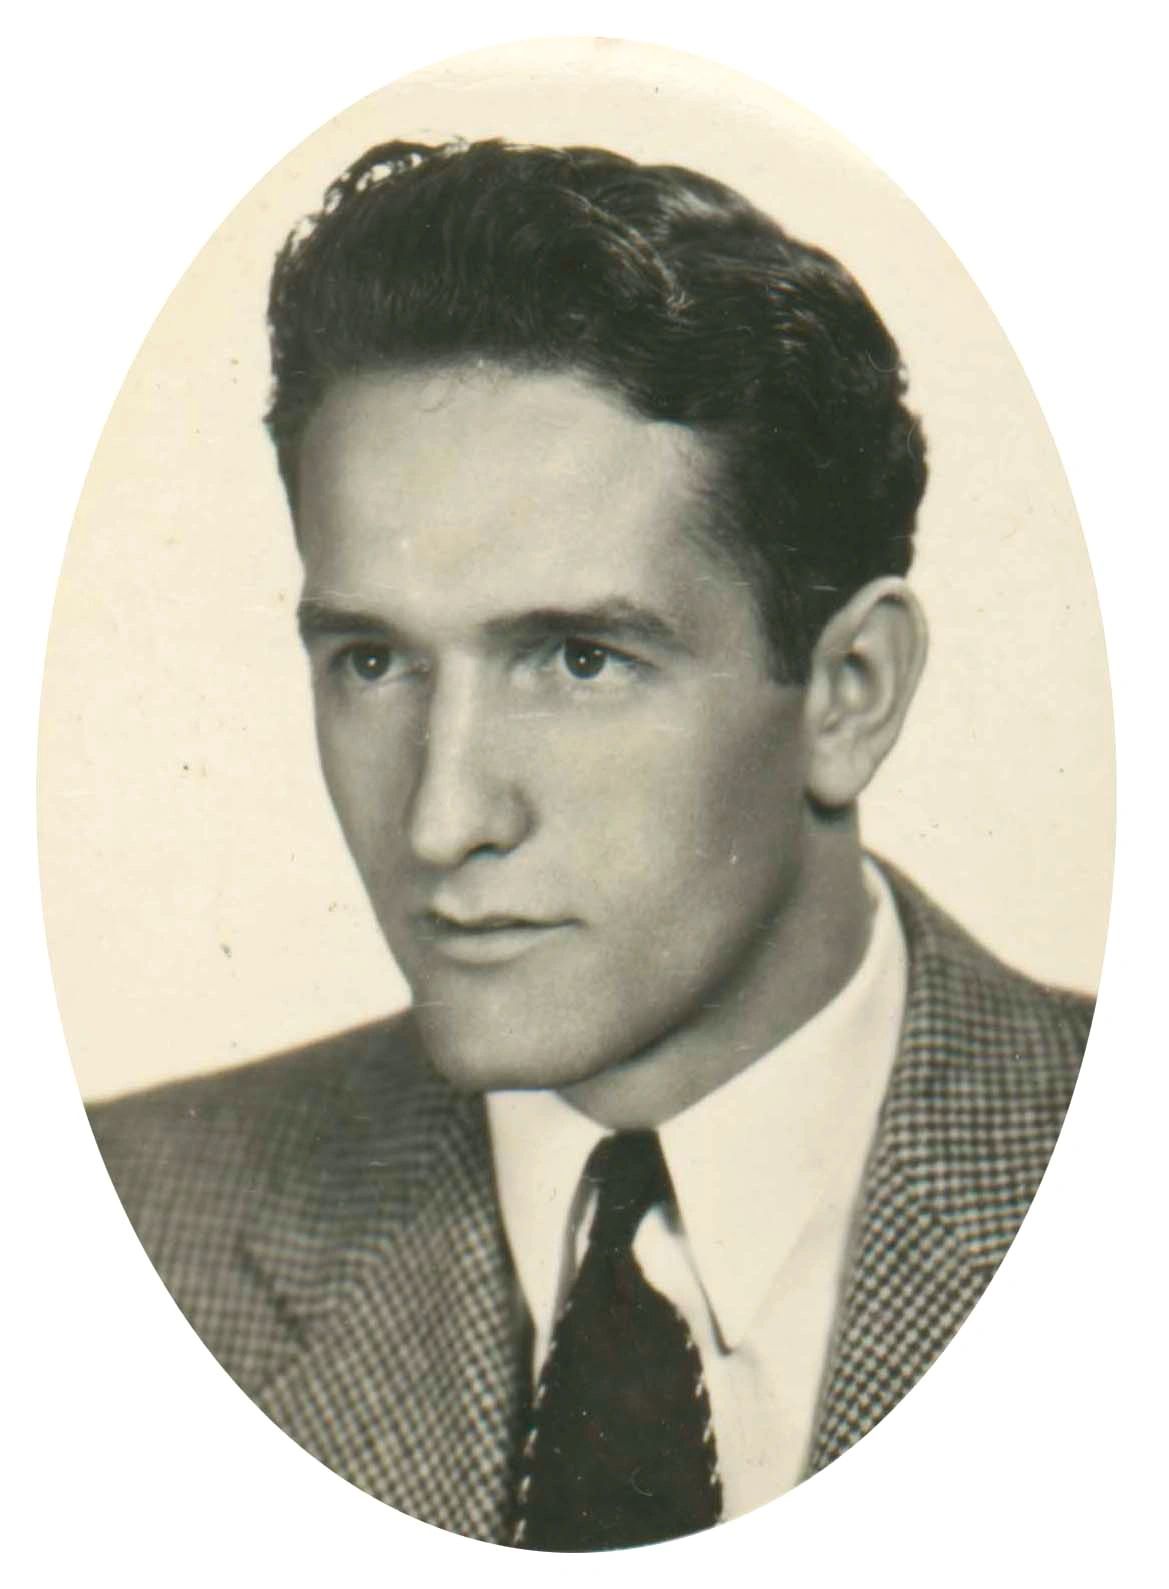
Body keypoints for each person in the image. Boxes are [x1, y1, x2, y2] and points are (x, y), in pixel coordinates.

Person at [90, 138, 1091, 1551]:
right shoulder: (118, 1220)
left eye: (577, 660)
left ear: (849, 692)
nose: (441, 819)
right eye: (372, 661)